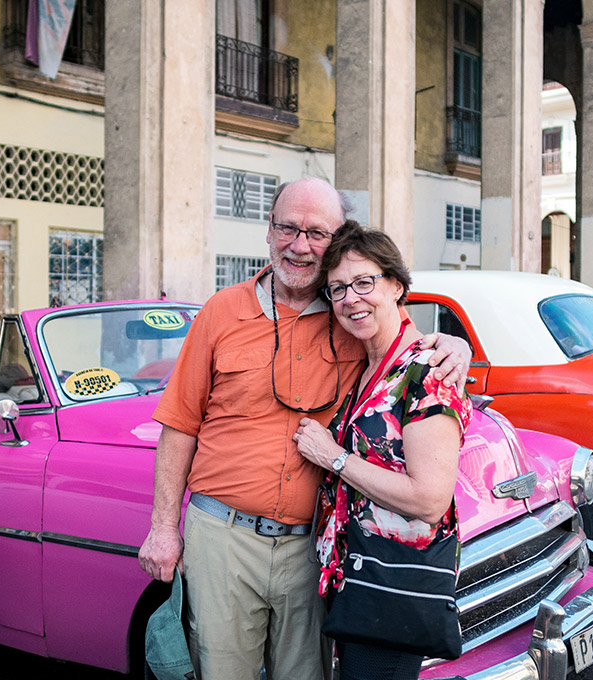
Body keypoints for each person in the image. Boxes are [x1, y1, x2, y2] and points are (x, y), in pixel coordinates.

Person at [137, 177, 471, 680]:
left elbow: (401, 348)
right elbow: (180, 425)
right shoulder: (220, 312)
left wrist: (453, 347)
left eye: (316, 232)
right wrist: (163, 528)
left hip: (310, 551)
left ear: (335, 240)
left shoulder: (348, 317)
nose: (299, 244)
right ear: (268, 231)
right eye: (287, 228)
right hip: (221, 540)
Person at [293, 222, 471, 680]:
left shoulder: (426, 371)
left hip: (393, 589)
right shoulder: (369, 365)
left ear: (396, 285)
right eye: (337, 289)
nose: (351, 298)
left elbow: (429, 500)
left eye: (364, 282)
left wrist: (333, 456)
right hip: (355, 581)